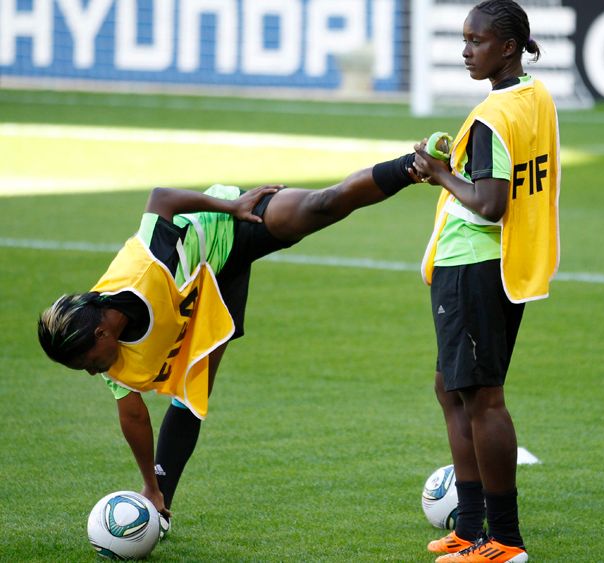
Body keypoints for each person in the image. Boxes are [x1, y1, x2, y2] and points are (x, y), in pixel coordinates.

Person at [37, 154, 422, 530]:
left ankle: (415, 164)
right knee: (192, 393)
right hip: (207, 292)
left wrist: (231, 206)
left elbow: (161, 198)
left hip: (229, 227)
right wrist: (148, 485)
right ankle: (160, 505)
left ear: (101, 333)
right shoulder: (108, 355)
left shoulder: (147, 266)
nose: (92, 372)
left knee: (321, 205)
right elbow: (133, 417)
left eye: (87, 363)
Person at [411, 1, 559, 561]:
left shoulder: (492, 116)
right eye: (464, 40)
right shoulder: (534, 97)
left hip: (474, 264)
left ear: (508, 47)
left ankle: (504, 540)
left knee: (483, 399)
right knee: (452, 388)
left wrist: (438, 173)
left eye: (476, 41)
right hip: (502, 263)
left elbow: (492, 202)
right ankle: (470, 526)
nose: (466, 51)